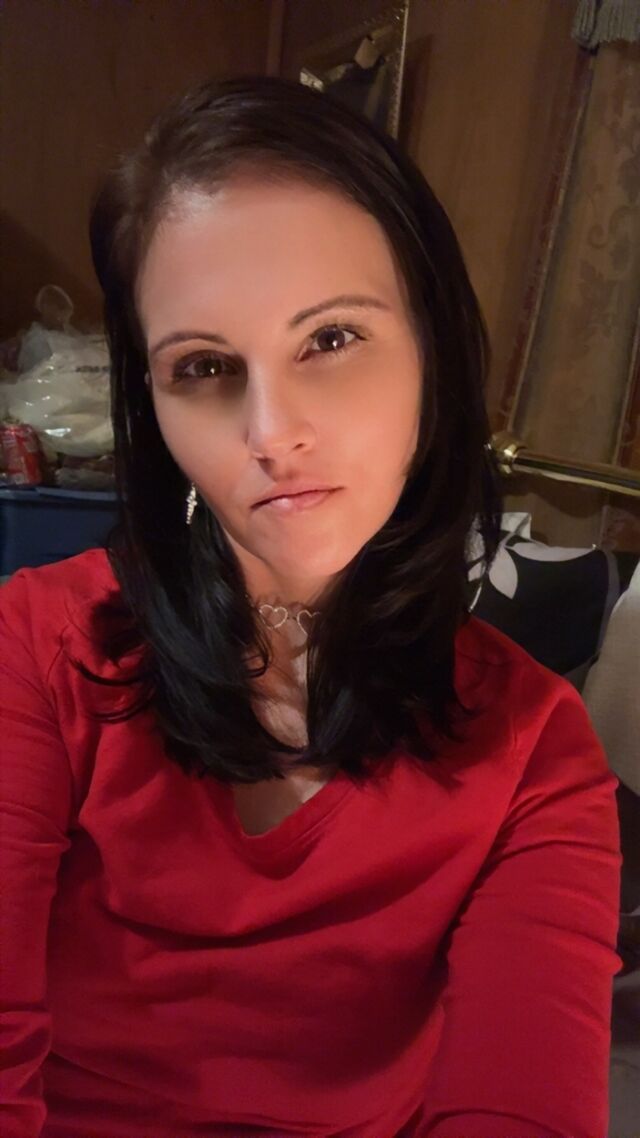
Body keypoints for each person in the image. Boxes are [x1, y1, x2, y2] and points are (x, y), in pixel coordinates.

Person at [0, 76, 622, 1138]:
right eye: (204, 366)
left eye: (331, 338)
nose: (270, 432)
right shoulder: (36, 651)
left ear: (431, 351)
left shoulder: (534, 753)